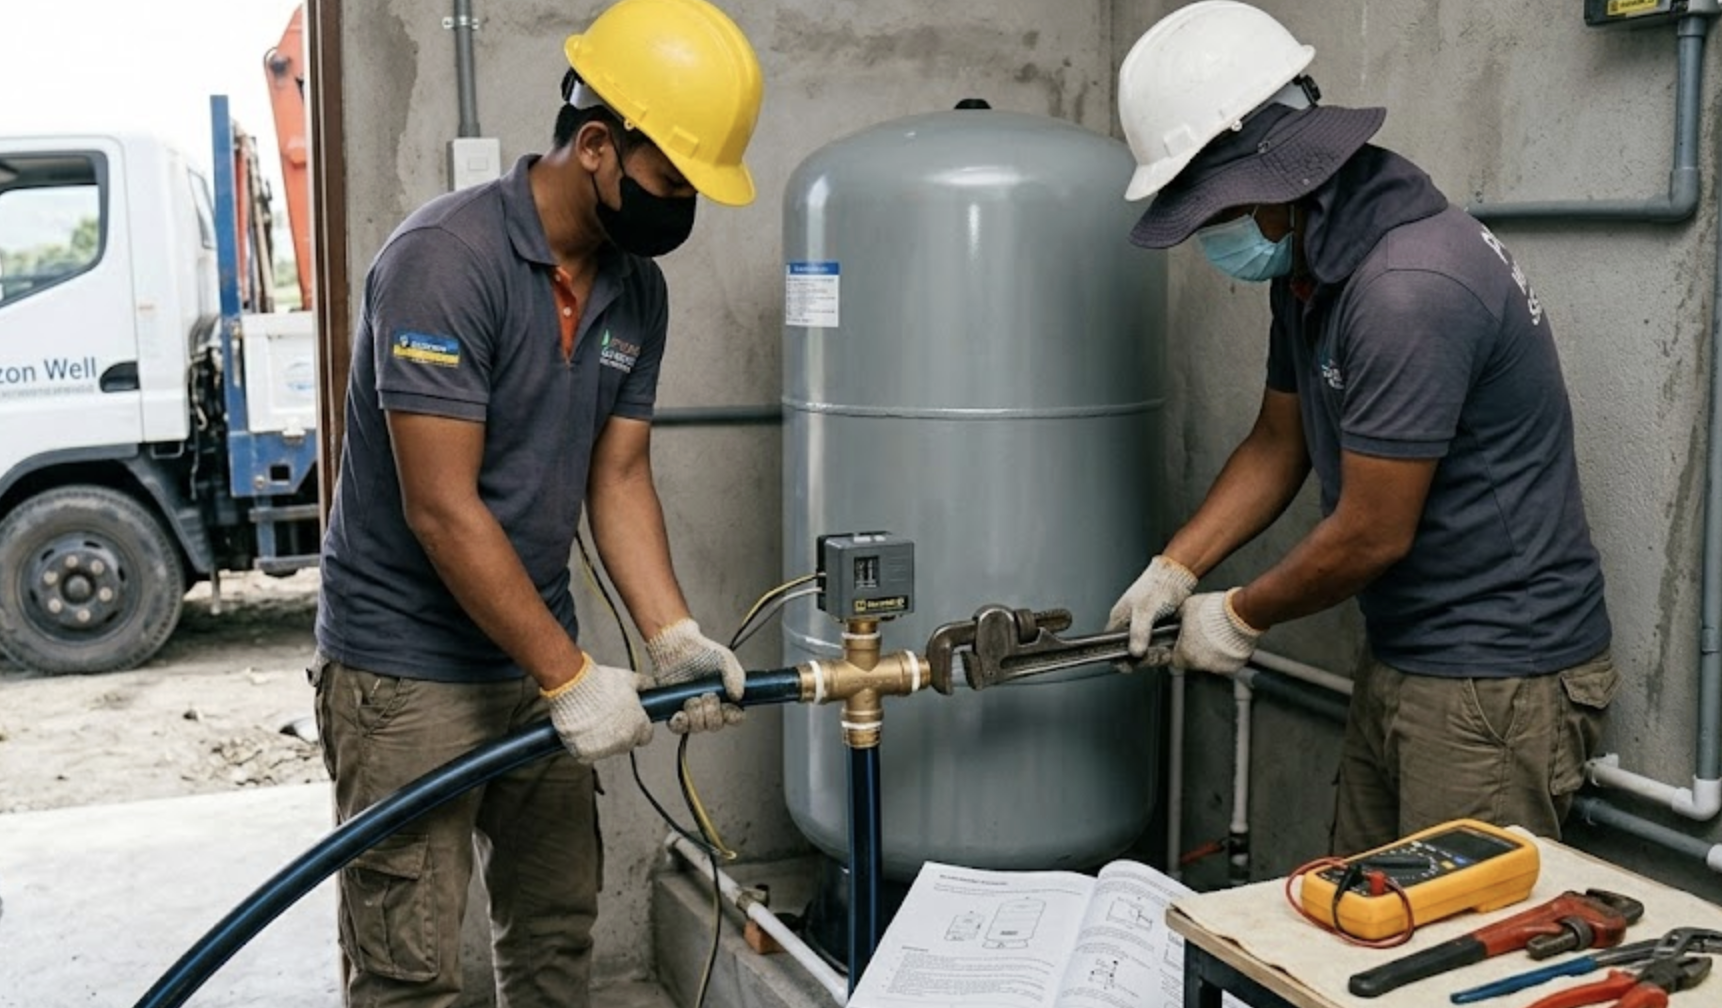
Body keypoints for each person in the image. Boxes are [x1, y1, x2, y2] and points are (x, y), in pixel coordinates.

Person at [307, 0, 763, 1003]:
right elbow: (442, 509)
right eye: (669, 178)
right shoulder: (443, 263)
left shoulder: (635, 288)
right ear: (596, 144)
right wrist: (569, 678)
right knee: (409, 972)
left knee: (557, 932)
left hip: (534, 646)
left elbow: (621, 474)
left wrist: (671, 635)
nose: (679, 204)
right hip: (405, 667)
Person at [1105, 1, 1618, 855]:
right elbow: (1280, 441)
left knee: (1455, 953)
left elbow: (1374, 531)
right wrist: (1175, 567)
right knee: (1357, 926)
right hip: (1411, 651)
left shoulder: (1405, 287)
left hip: (1497, 676)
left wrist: (1236, 615)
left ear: (1273, 180)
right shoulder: (1312, 263)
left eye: (1212, 209)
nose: (1209, 234)